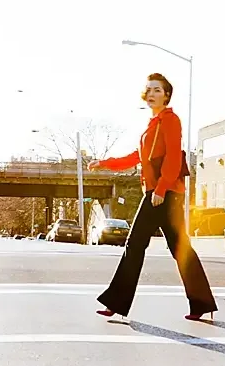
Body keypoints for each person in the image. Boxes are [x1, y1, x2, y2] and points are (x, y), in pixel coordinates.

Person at [87, 72, 217, 324]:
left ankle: (117, 302)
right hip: (158, 192)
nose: (151, 94)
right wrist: (104, 163)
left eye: (157, 90)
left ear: (167, 95)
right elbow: (136, 157)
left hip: (163, 194)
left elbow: (173, 157)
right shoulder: (151, 125)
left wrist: (160, 189)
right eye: (148, 90)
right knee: (178, 248)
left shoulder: (170, 120)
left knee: (136, 245)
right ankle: (202, 303)